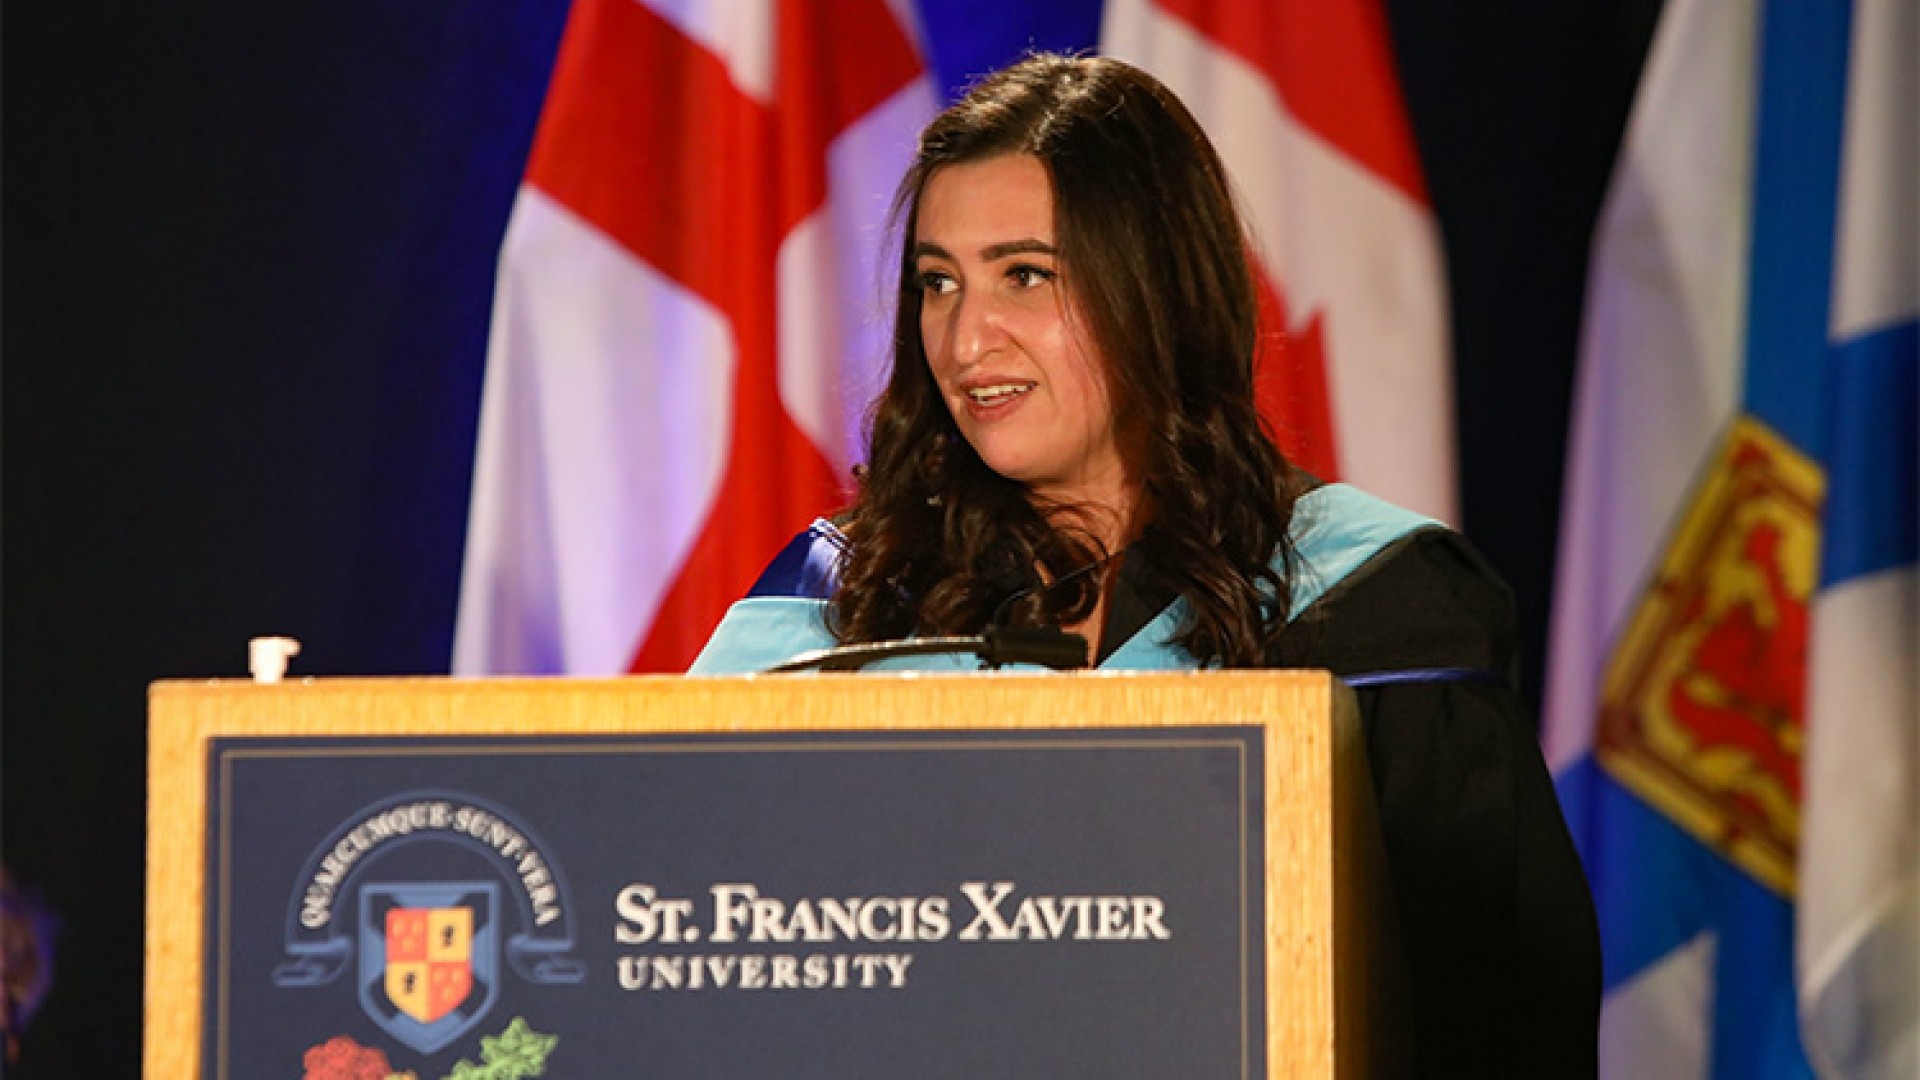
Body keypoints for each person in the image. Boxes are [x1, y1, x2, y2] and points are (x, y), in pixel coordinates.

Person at [689, 53, 1600, 1075]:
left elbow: (1501, 1032)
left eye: (1025, 275)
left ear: (1156, 291)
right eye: (938, 283)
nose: (966, 339)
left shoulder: (1378, 612)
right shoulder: (839, 606)